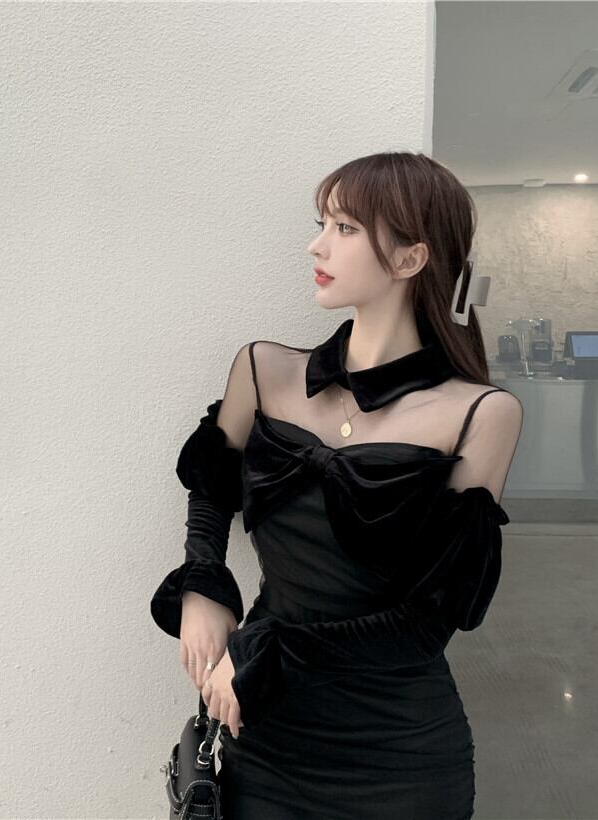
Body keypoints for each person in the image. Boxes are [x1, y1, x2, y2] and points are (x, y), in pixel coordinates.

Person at [150, 151, 523, 819]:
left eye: (345, 228)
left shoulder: (480, 413)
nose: (317, 245)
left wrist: (268, 650)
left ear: (410, 258)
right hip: (265, 733)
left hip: (399, 752)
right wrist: (203, 584)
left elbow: (430, 620)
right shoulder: (263, 371)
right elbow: (211, 483)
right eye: (323, 223)